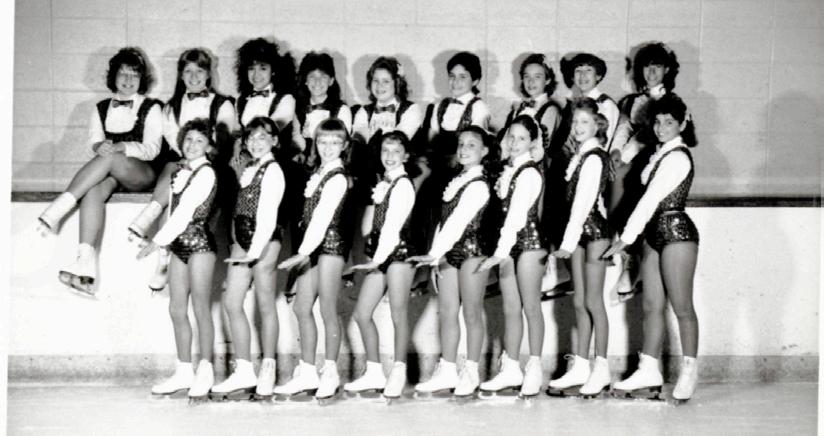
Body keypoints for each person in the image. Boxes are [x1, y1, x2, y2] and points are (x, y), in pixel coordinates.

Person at [37, 47, 162, 296]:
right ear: (113, 77)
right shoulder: (101, 108)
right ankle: (85, 265)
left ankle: (59, 208)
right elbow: (92, 142)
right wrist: (98, 146)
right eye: (123, 74)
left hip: (143, 173)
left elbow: (152, 150)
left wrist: (121, 147)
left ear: (142, 79)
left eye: (134, 75)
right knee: (93, 189)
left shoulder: (152, 107)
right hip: (111, 174)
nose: (128, 80)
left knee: (111, 156)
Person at [602, 94, 700, 402]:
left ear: (682, 124)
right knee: (651, 305)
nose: (661, 128)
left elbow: (651, 198)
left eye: (669, 122)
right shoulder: (658, 154)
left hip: (676, 233)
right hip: (653, 233)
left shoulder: (678, 156)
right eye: (657, 122)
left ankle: (689, 371)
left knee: (682, 307)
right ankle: (648, 369)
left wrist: (625, 238)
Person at [128, 47, 236, 292]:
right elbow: (174, 140)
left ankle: (151, 231)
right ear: (180, 75)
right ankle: (162, 258)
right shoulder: (170, 107)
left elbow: (222, 142)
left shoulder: (223, 105)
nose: (194, 76)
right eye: (188, 71)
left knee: (185, 187)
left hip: (211, 166)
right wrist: (187, 160)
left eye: (200, 71)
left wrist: (196, 161)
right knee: (173, 173)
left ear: (208, 74)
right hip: (181, 161)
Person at [137, 119, 218, 402]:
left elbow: (185, 214)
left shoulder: (206, 172)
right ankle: (184, 370)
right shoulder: (181, 172)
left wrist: (157, 241)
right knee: (176, 308)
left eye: (199, 141)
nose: (192, 145)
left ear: (209, 146)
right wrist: (165, 250)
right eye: (188, 139)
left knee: (200, 308)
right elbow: (172, 211)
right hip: (179, 245)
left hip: (200, 246)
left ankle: (206, 369)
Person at [409, 126, 493, 399]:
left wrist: (435, 254)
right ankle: (447, 370)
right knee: (446, 311)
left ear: (484, 151)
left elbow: (458, 222)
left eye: (472, 145)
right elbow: (443, 223)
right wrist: (436, 258)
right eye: (461, 144)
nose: (464, 149)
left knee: (471, 312)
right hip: (448, 251)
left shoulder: (479, 184)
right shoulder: (455, 180)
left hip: (472, 251)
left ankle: (471, 372)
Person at [274, 118, 351, 402]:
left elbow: (321, 219)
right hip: (311, 247)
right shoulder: (318, 173)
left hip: (330, 246)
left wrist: (302, 253)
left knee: (328, 309)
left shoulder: (338, 177)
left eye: (334, 143)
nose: (327, 148)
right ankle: (307, 371)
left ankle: (330, 372)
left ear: (344, 146)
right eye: (322, 142)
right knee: (301, 307)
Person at [209, 117, 285, 401]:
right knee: (232, 302)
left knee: (265, 306)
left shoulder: (273, 170)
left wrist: (254, 252)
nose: (255, 142)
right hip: (243, 243)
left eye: (262, 137)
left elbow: (267, 216)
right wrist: (240, 247)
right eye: (251, 137)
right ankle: (244, 370)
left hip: (264, 243)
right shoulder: (250, 168)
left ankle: (268, 369)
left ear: (274, 141)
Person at [344, 131, 417, 401]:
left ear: (406, 156)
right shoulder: (384, 182)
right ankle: (374, 371)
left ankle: (398, 370)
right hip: (380, 253)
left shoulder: (403, 184)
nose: (390, 156)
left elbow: (393, 228)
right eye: (386, 150)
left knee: (398, 314)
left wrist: (376, 260)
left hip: (400, 253)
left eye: (396, 151)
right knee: (362, 314)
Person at [546, 99, 612, 398]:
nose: (577, 127)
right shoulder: (579, 156)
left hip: (594, 233)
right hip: (578, 235)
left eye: (584, 122)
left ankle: (602, 367)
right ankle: (581, 365)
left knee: (594, 301)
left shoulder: (595, 157)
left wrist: (567, 243)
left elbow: (584, 204)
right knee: (579, 301)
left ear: (598, 125)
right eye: (575, 122)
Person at [477, 115, 546, 398]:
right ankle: (511, 368)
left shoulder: (529, 173)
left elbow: (517, 217)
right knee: (510, 308)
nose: (515, 143)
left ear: (532, 142)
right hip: (507, 246)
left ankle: (535, 369)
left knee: (531, 307)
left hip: (528, 243)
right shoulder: (508, 170)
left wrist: (499, 253)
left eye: (522, 138)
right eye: (511, 137)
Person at [609, 42, 682, 303]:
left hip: (656, 160)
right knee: (615, 180)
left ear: (667, 70)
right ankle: (626, 253)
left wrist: (626, 154)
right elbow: (624, 129)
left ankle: (635, 256)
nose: (651, 72)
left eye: (657, 66)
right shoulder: (632, 101)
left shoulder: (671, 102)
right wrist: (616, 152)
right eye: (646, 67)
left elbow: (648, 135)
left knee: (634, 185)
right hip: (632, 157)